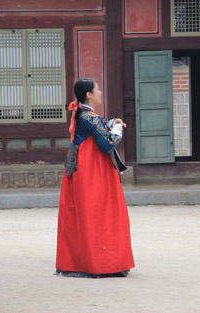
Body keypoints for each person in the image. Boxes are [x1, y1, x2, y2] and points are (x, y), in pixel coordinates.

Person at [55, 77, 135, 278]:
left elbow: (95, 128)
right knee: (101, 212)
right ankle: (103, 263)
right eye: (97, 90)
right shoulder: (89, 117)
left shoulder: (82, 114)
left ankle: (85, 261)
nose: (100, 92)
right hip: (93, 170)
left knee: (82, 213)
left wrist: (109, 122)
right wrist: (117, 128)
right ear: (89, 95)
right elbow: (107, 143)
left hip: (81, 167)